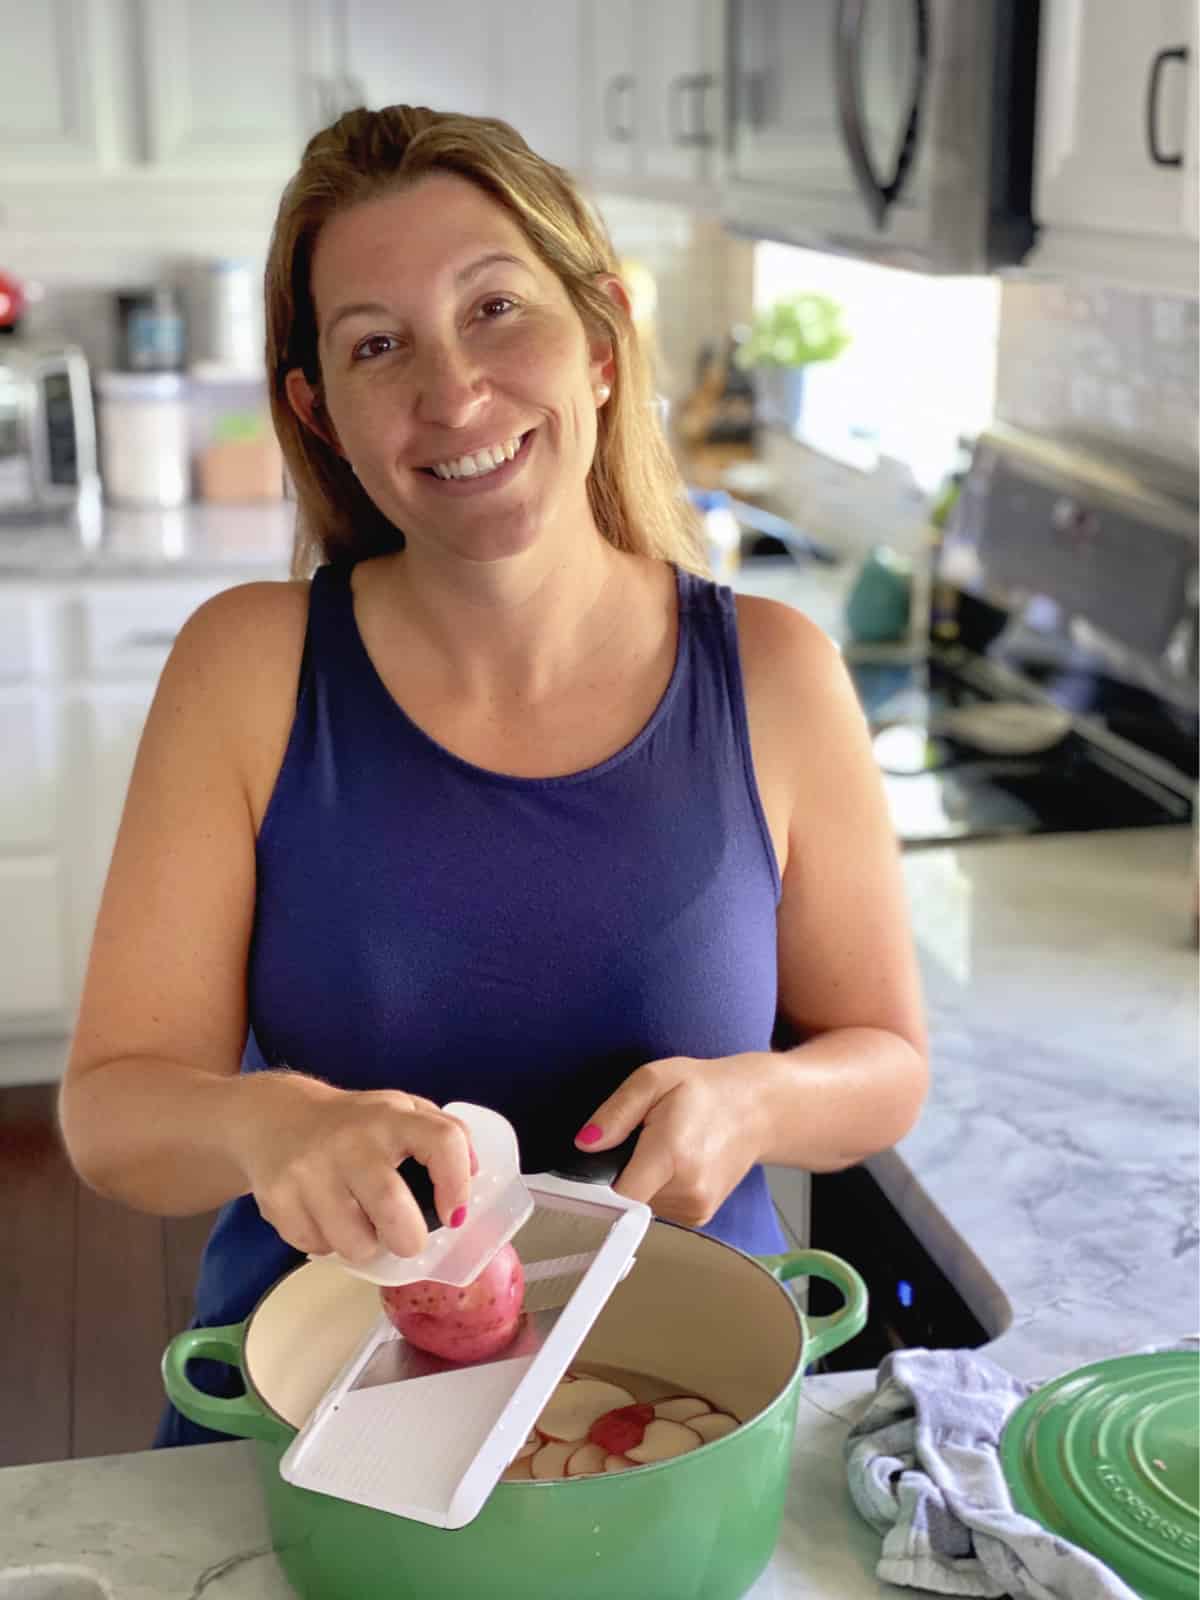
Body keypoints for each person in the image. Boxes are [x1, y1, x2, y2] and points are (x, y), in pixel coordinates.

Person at [58, 106, 928, 1447]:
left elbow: (883, 1063)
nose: (452, 392)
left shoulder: (777, 673)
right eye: (376, 344)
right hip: (321, 1416)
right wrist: (264, 1123)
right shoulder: (250, 669)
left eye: (495, 309)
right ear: (318, 411)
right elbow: (116, 1111)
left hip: (681, 1413)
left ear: (598, 343)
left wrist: (755, 1097)